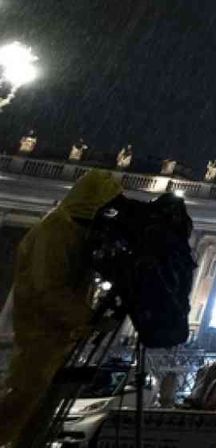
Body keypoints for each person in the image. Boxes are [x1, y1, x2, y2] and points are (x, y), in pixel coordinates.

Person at [0, 171, 124, 447]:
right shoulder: (57, 231)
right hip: (35, 337)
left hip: (54, 338)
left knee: (32, 414)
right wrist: (90, 317)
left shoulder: (73, 231)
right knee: (19, 407)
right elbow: (48, 290)